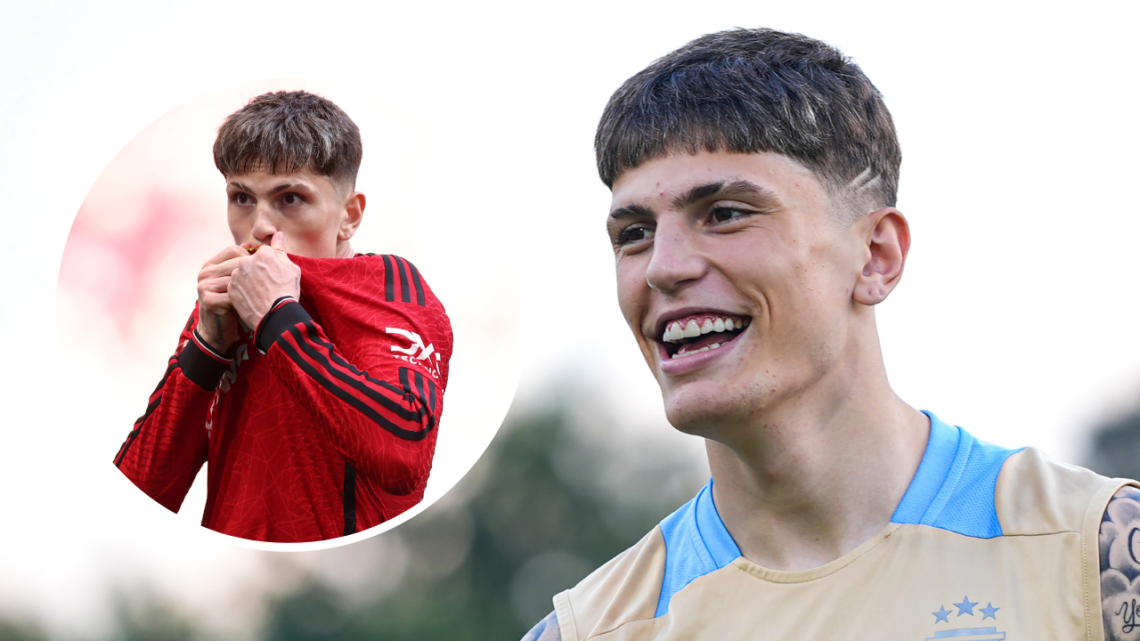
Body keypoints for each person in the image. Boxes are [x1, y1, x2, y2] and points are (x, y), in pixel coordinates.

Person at [523, 28, 1140, 640]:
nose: (663, 265)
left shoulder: (1099, 554)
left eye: (726, 214)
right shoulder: (590, 631)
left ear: (875, 255)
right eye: (634, 232)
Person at [114, 91, 452, 543]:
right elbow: (139, 494)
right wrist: (206, 349)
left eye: (290, 198)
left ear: (349, 216)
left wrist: (278, 319)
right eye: (241, 198)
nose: (259, 227)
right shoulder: (221, 305)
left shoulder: (388, 285)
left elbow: (404, 453)